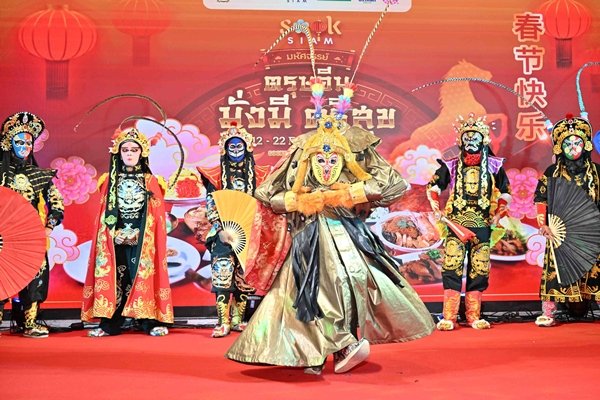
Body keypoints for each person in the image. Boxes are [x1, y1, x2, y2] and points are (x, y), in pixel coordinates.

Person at [225, 94, 435, 374]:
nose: (326, 165)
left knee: (352, 281)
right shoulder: (302, 147)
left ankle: (338, 347)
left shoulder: (358, 146)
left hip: (347, 228)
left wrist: (351, 194)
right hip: (308, 231)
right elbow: (266, 193)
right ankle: (325, 349)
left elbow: (394, 186)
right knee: (309, 290)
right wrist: (299, 200)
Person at [81, 127, 173, 336]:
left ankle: (149, 322)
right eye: (125, 150)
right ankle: (109, 324)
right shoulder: (108, 180)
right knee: (116, 278)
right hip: (115, 236)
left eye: (134, 150)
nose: (130, 154)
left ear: (142, 153)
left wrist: (141, 234)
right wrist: (114, 233)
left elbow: (156, 216)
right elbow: (104, 214)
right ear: (118, 153)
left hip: (142, 238)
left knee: (142, 276)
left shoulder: (152, 181)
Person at [426, 113, 511, 331]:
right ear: (461, 140)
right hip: (456, 223)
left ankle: (474, 316)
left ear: (484, 140)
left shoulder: (493, 165)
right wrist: (435, 204)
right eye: (467, 137)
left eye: (475, 138)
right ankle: (449, 317)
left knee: (479, 268)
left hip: (482, 224)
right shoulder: (451, 165)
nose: (471, 141)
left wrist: (499, 212)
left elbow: (505, 191)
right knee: (452, 267)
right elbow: (434, 186)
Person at [196, 122, 268, 338]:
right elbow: (211, 204)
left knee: (244, 276)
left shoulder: (260, 175)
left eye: (239, 146)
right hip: (223, 234)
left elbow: (263, 205)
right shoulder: (216, 176)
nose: (236, 151)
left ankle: (238, 319)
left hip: (249, 232)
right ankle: (223, 321)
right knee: (223, 274)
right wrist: (220, 229)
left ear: (247, 148)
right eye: (231, 147)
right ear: (225, 150)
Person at [0, 111, 64, 338]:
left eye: (29, 142)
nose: (25, 146)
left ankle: (30, 322)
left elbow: (57, 203)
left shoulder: (39, 175)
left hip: (30, 237)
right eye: (19, 142)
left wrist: (48, 227)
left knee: (36, 275)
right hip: (2, 236)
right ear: (8, 143)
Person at [534, 114, 600, 327]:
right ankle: (549, 312)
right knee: (555, 271)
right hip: (561, 231)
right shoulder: (552, 172)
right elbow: (541, 199)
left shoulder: (597, 172)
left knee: (596, 271)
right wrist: (543, 224)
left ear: (586, 144)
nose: (573, 148)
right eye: (567, 144)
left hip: (592, 230)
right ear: (559, 148)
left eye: (577, 143)